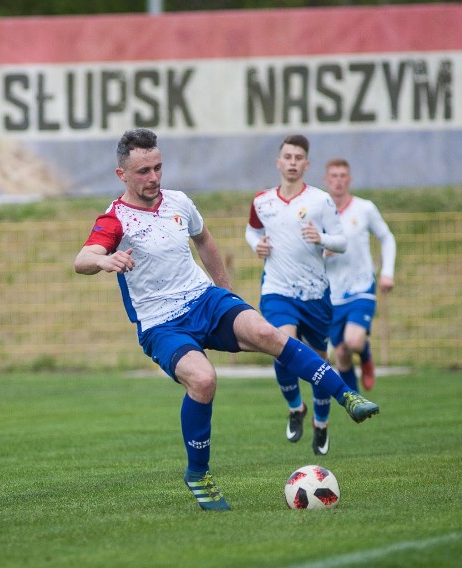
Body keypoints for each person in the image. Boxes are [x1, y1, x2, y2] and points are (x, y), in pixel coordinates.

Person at [74, 128, 379, 512]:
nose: (153, 178)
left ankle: (345, 395)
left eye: (158, 167)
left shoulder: (179, 203)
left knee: (266, 331)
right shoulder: (115, 219)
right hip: (161, 323)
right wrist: (104, 259)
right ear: (122, 175)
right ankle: (198, 473)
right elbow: (81, 259)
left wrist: (227, 293)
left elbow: (204, 240)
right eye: (143, 172)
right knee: (203, 380)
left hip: (205, 300)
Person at [244, 134, 352, 457]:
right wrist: (256, 245)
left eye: (298, 158)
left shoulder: (320, 201)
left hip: (316, 293)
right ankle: (295, 407)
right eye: (287, 157)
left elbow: (342, 240)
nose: (292, 162)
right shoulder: (262, 201)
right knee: (282, 348)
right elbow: (252, 230)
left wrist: (322, 239)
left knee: (318, 362)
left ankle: (321, 423)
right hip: (277, 290)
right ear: (278, 162)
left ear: (306, 164)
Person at [323, 158, 396, 392]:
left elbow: (386, 237)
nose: (338, 180)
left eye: (343, 175)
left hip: (361, 286)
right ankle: (355, 400)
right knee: (341, 352)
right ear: (326, 180)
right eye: (333, 176)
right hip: (332, 292)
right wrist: (322, 253)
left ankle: (365, 354)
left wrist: (387, 273)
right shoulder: (319, 212)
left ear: (349, 180)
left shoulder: (364, 208)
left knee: (353, 341)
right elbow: (307, 248)